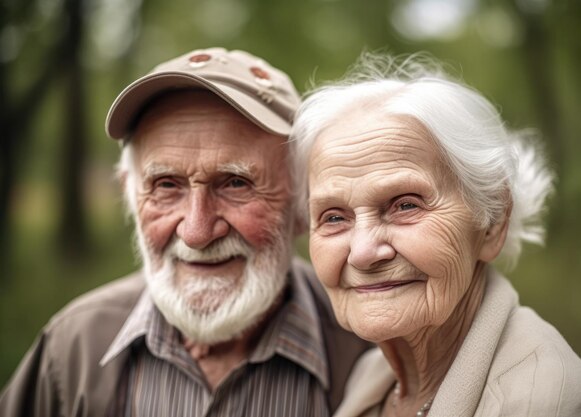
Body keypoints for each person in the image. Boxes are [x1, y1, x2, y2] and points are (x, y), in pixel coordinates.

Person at [0, 47, 371, 417]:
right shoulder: (73, 348)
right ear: (130, 194)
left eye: (236, 183)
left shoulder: (370, 354)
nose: (196, 232)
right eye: (166, 184)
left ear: (304, 205)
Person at [291, 52, 581, 417]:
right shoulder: (374, 375)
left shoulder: (547, 402)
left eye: (405, 205)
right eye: (334, 217)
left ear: (492, 221)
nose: (363, 252)